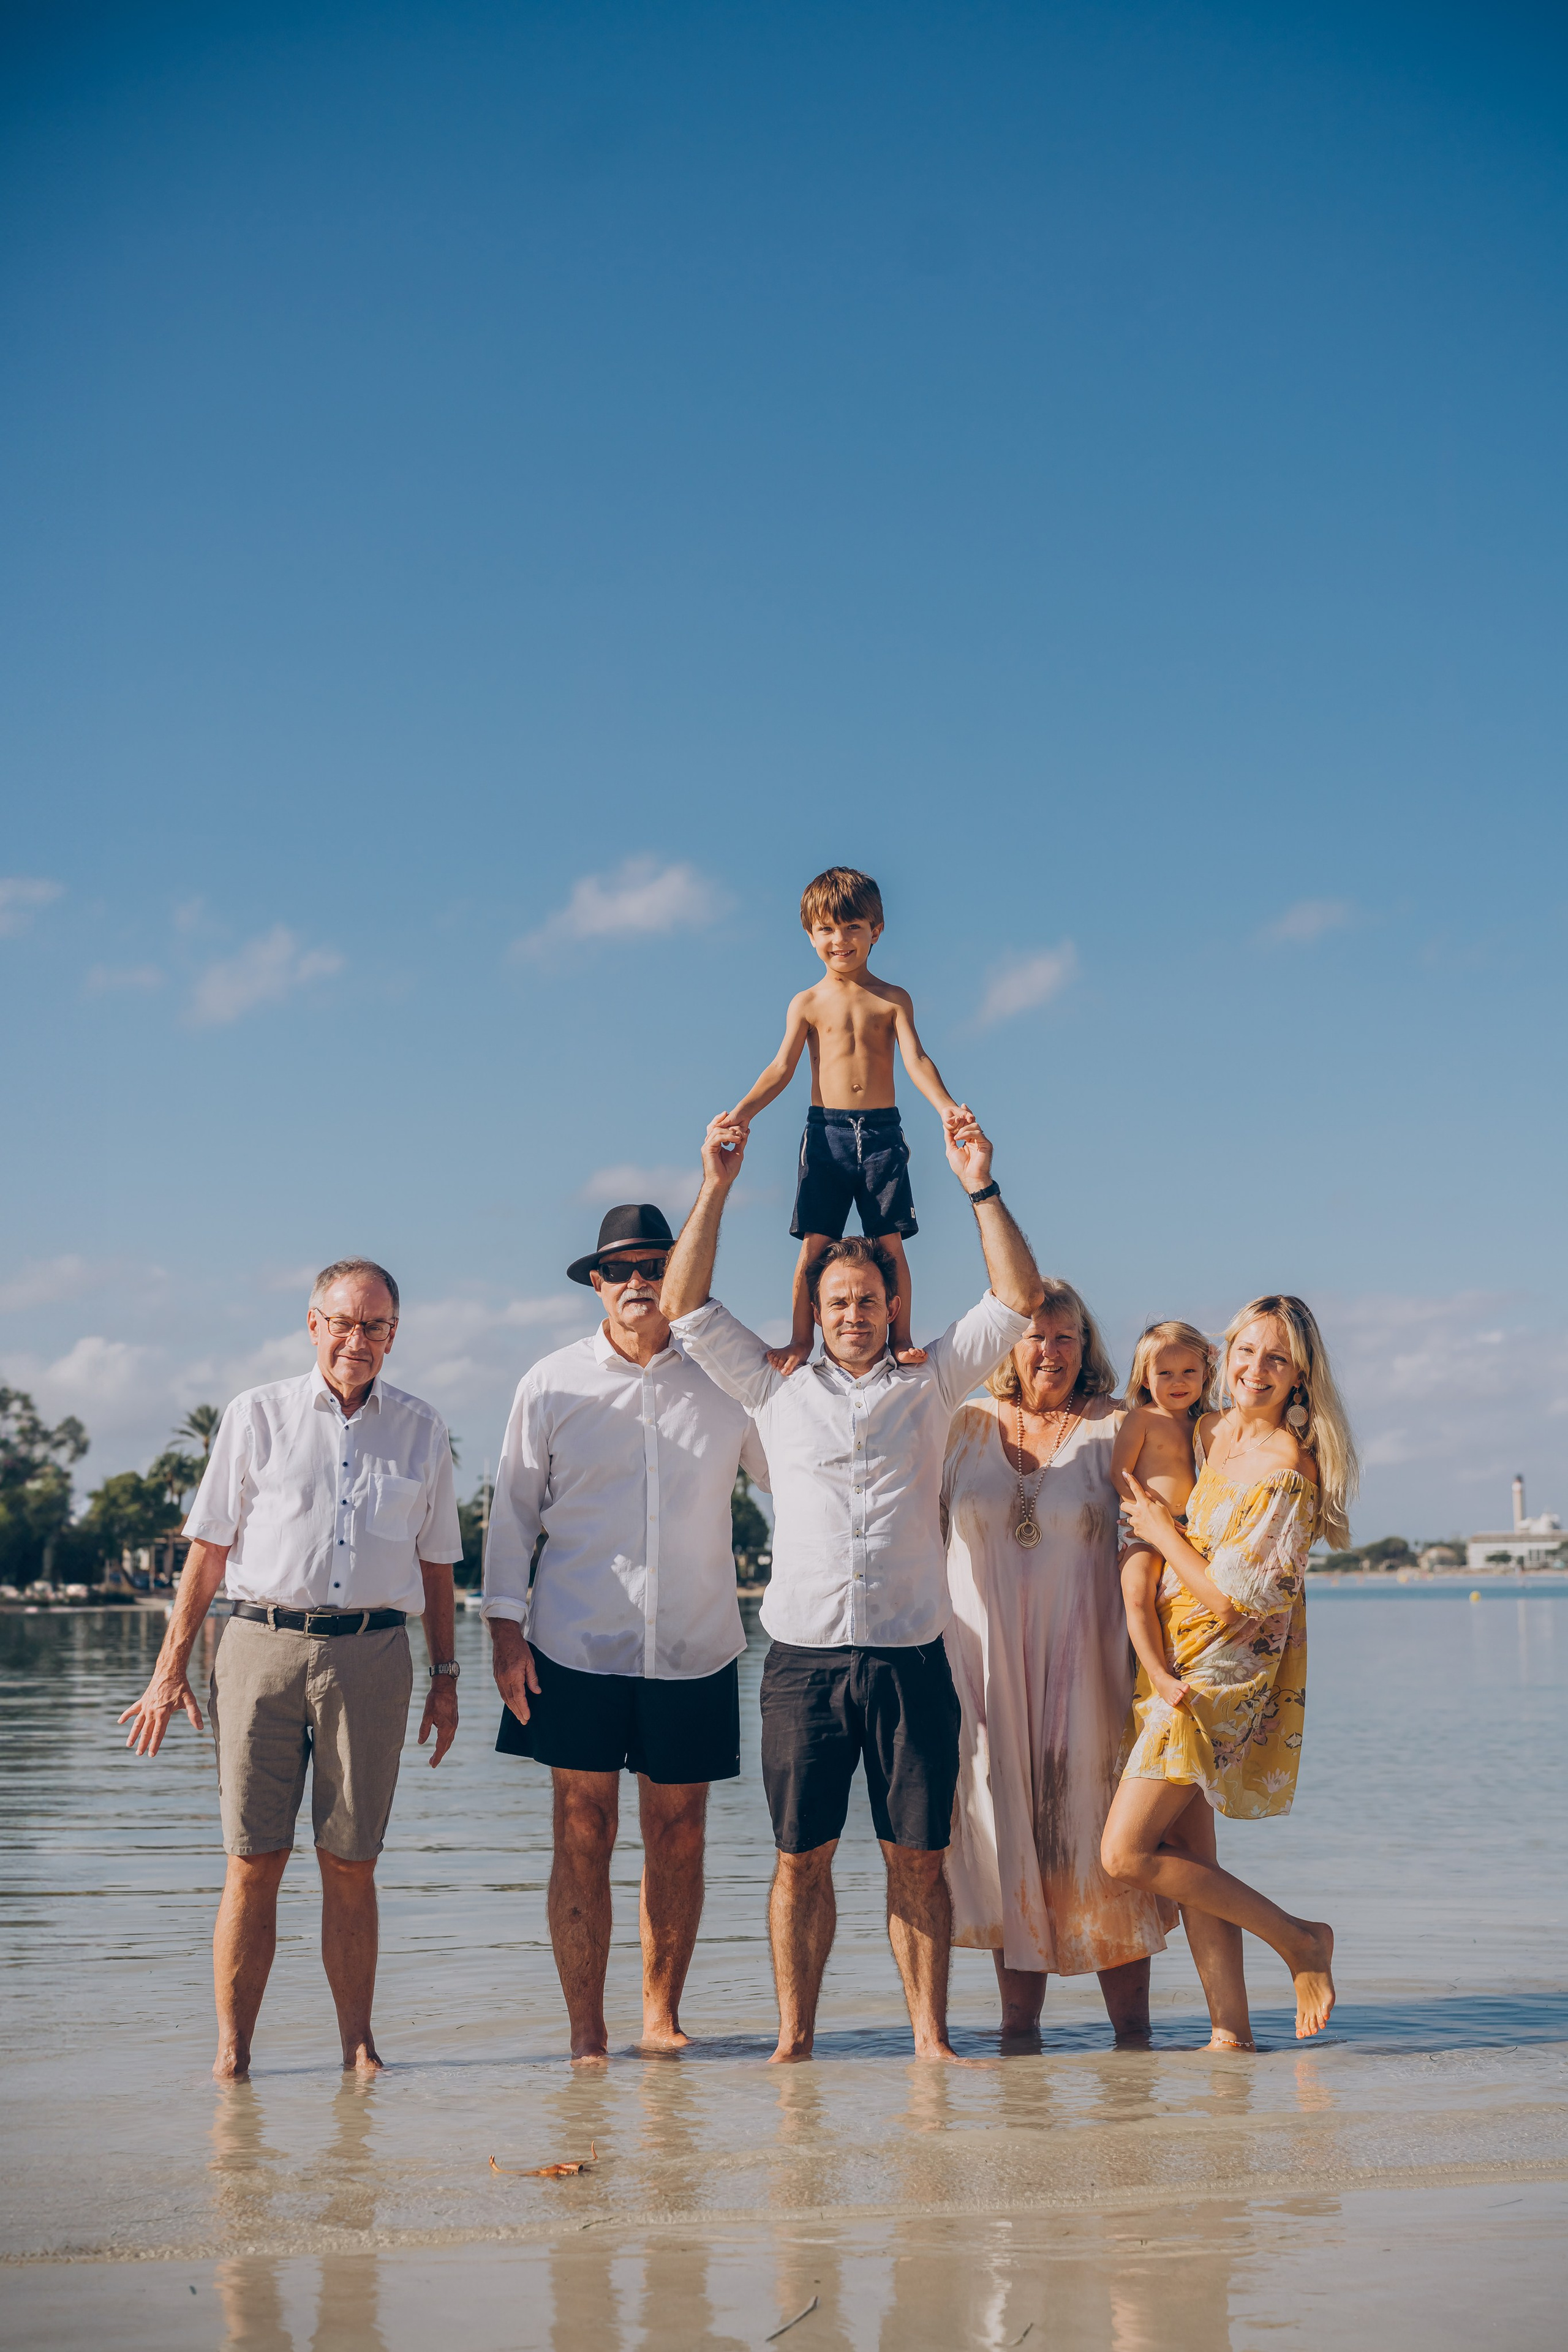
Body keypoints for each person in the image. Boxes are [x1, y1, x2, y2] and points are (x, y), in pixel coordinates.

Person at [662, 1108, 1044, 2063]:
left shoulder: (933, 1381)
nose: (854, 1316)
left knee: (919, 1859)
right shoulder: (773, 1385)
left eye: (868, 1301)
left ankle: (928, 2041)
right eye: (837, 1303)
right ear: (816, 1309)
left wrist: (978, 1183)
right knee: (802, 1860)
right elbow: (681, 1305)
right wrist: (714, 1186)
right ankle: (796, 2043)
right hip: (800, 1660)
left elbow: (1020, 1296)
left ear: (890, 1305)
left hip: (914, 1655)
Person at [119, 1259, 462, 2080]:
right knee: (252, 1859)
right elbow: (206, 1555)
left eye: (374, 1325)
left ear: (394, 1335)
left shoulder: (422, 1429)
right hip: (257, 1650)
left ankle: (359, 2049)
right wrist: (170, 1671)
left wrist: (447, 1677)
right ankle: (232, 2058)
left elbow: (439, 1566)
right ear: (313, 1324)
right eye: (342, 1322)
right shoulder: (255, 1416)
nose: (357, 1340)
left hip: (375, 1656)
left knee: (353, 1863)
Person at [483, 1203, 770, 2063]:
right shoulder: (551, 1381)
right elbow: (511, 1512)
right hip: (573, 1641)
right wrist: (504, 1631)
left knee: (681, 1831)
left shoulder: (729, 1378)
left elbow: (791, 1480)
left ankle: (659, 2017)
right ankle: (586, 2031)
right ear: (597, 1285)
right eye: (621, 1270)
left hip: (697, 1640)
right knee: (582, 1826)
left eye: (656, 1265)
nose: (639, 1281)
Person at [1101, 1294, 1358, 2046]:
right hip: (1168, 1662)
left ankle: (1300, 1940)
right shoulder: (1209, 1431)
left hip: (1221, 1677)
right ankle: (1231, 2035)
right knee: (1190, 1857)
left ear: (1301, 1377)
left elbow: (1236, 1605)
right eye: (1246, 1351)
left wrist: (1156, 1529)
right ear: (1226, 1355)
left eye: (1277, 1358)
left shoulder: (1288, 1469)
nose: (1256, 1369)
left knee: (1126, 1853)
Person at [941, 1284, 1172, 2045]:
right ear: (1009, 1343)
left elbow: (1168, 1531)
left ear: (1086, 1344)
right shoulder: (959, 1423)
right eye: (1036, 1335)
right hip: (984, 1675)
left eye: (1066, 1336)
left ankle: (1135, 2057)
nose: (1050, 1350)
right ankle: (1018, 2055)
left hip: (1092, 1672)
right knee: (1010, 1839)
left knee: (1100, 1844)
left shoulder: (1119, 1427)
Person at [720, 865, 973, 1373]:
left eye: (853, 927)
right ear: (811, 934)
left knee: (889, 1241)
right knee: (815, 1244)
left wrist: (947, 1107)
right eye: (828, 929)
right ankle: (799, 1341)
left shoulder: (893, 998)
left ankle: (901, 1338)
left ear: (875, 931)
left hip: (882, 1133)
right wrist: (741, 1114)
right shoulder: (807, 1003)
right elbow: (781, 1067)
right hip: (826, 1133)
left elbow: (917, 1061)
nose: (841, 939)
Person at [1113, 1321, 1218, 1713]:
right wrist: (1144, 1515)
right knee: (1137, 1595)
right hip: (1141, 1526)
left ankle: (1191, 1666)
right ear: (1145, 1377)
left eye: (1189, 1371)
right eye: (1165, 1373)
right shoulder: (1141, 1419)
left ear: (1206, 1373)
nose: (1179, 1381)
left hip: (1190, 1531)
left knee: (1188, 1603)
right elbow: (1120, 1474)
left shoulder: (1206, 1423)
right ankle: (1157, 1673)